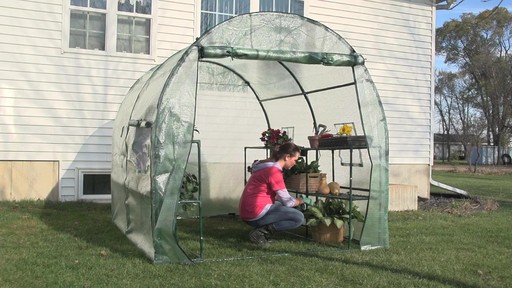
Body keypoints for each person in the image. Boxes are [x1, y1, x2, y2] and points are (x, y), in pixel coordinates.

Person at [239, 142, 305, 244]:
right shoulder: (274, 172)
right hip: (256, 213)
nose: (295, 163)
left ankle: (261, 230)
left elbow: (274, 195)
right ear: (287, 157)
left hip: (247, 210)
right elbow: (288, 203)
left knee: (283, 207)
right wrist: (301, 200)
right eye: (295, 160)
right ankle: (261, 232)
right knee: (298, 218)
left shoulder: (264, 168)